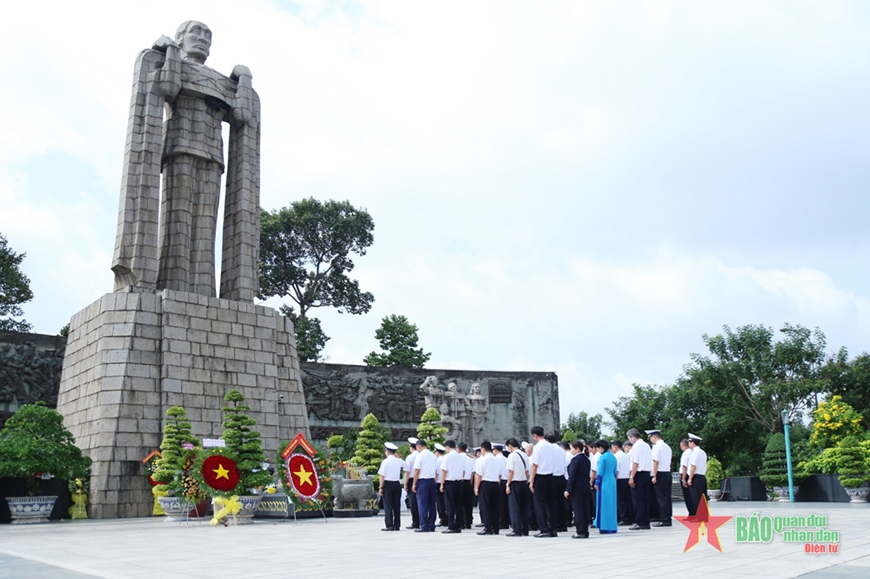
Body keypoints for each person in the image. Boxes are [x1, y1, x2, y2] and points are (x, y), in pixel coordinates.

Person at [529, 426, 562, 537]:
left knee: (540, 504)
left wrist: (531, 480)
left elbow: (534, 465)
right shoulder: (551, 447)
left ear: (535, 435)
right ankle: (553, 528)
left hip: (540, 476)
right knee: (551, 504)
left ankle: (544, 529)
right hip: (551, 476)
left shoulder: (538, 447)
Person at [626, 428, 652, 530]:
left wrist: (632, 477)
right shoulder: (646, 445)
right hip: (646, 473)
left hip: (638, 473)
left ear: (632, 437)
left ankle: (640, 521)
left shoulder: (636, 446)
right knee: (645, 499)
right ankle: (645, 521)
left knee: (637, 499)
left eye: (629, 438)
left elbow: (635, 463)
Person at [564, 440, 591, 539]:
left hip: (577, 487)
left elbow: (572, 476)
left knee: (578, 509)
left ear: (577, 449)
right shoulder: (586, 459)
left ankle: (580, 531)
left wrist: (568, 489)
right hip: (585, 486)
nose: (571, 450)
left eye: (572, 448)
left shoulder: (575, 460)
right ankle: (585, 530)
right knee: (585, 509)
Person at [505, 438, 531, 536]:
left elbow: (511, 471)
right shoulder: (524, 455)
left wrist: (508, 484)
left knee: (514, 507)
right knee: (524, 507)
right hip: (524, 483)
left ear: (510, 446)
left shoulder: (512, 456)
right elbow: (527, 472)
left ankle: (516, 530)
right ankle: (525, 529)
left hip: (515, 483)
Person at [474, 441, 501, 535]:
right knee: (495, 507)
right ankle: (496, 528)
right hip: (495, 484)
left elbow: (478, 475)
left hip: (486, 484)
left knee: (486, 507)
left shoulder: (482, 460)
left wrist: (476, 487)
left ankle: (488, 528)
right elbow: (500, 475)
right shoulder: (497, 459)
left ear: (483, 449)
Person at [647, 429, 673, 527]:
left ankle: (664, 519)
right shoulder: (667, 446)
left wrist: (654, 475)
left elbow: (655, 462)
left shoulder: (657, 447)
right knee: (667, 497)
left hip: (660, 473)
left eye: (650, 438)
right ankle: (668, 517)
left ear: (654, 437)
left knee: (661, 498)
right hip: (667, 472)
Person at [412, 439, 438, 532]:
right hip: (432, 481)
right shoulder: (433, 456)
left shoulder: (420, 456)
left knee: (422, 504)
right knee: (431, 504)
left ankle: (424, 525)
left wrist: (414, 483)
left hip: (423, 481)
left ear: (419, 447)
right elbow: (436, 471)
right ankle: (432, 525)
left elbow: (416, 471)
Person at [439, 439, 464, 533]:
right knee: (458, 505)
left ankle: (451, 526)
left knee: (449, 505)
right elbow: (463, 471)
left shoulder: (447, 457)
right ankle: (458, 525)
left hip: (450, 482)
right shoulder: (461, 457)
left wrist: (442, 484)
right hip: (459, 482)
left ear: (448, 447)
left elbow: (444, 471)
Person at [377, 442, 404, 531]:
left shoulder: (385, 461)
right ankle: (397, 525)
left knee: (388, 505)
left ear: (388, 451)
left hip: (388, 484)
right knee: (397, 505)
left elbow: (382, 476)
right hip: (397, 484)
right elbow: (407, 467)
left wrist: (381, 487)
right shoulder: (399, 460)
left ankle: (389, 525)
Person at [594, 440, 618, 534]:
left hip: (604, 481)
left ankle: (604, 526)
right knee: (611, 504)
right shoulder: (613, 457)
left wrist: (597, 483)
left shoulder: (603, 457)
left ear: (601, 448)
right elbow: (615, 471)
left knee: (603, 503)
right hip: (612, 480)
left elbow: (599, 472)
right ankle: (612, 526)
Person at [611, 440, 633, 526]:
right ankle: (629, 517)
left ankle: (623, 518)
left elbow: (616, 470)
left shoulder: (616, 456)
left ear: (615, 447)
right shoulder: (625, 455)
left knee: (620, 500)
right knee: (627, 499)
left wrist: (614, 481)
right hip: (626, 478)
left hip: (619, 479)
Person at [687, 434, 708, 517]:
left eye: (689, 442)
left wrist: (690, 478)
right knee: (702, 498)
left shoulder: (694, 453)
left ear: (692, 442)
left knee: (695, 498)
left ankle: (698, 516)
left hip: (695, 477)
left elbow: (693, 466)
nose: (688, 444)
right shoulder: (702, 452)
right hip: (702, 476)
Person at [492, 443, 511, 529]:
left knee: (499, 504)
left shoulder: (495, 460)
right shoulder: (507, 459)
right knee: (506, 503)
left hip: (499, 482)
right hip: (507, 481)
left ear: (495, 450)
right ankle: (507, 521)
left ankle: (501, 522)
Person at [458, 442, 475, 529]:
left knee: (459, 503)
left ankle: (460, 521)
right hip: (469, 482)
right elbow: (472, 473)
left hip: (460, 481)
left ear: (458, 448)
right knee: (468, 503)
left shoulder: (457, 458)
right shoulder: (470, 459)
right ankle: (468, 521)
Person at [404, 437, 420, 529]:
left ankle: (415, 522)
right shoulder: (421, 455)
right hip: (421, 479)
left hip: (412, 480)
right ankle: (422, 520)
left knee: (413, 502)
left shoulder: (410, 457)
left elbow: (407, 472)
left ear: (411, 447)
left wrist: (405, 484)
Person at [522, 441, 538, 531]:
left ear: (528, 451)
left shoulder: (530, 460)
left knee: (530, 505)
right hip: (537, 481)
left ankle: (532, 523)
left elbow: (527, 473)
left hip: (530, 482)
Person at [434, 443, 448, 527]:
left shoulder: (438, 460)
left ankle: (443, 519)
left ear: (437, 452)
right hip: (447, 482)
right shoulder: (446, 459)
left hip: (439, 482)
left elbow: (436, 473)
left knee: (440, 503)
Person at [679, 438, 693, 515]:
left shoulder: (685, 453)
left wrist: (683, 479)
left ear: (684, 446)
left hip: (685, 475)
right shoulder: (692, 452)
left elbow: (684, 467)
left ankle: (691, 512)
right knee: (691, 495)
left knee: (687, 496)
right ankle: (693, 512)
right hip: (691, 474)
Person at [588, 441, 600, 528]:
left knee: (595, 501)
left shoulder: (596, 457)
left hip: (595, 479)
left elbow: (594, 471)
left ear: (594, 448)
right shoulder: (601, 456)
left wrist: (591, 482)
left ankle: (596, 519)